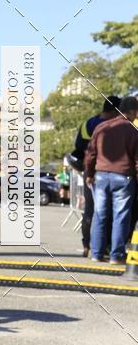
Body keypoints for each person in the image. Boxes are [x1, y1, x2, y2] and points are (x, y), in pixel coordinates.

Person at [84, 96, 138, 264]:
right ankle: (116, 255)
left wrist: (90, 174)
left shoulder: (101, 127)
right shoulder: (132, 131)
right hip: (123, 177)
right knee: (120, 217)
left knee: (100, 215)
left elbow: (90, 155)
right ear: (133, 112)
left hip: (101, 176)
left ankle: (96, 253)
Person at [72, 96, 121, 256]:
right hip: (107, 170)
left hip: (90, 170)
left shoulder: (88, 124)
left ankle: (87, 246)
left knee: (90, 210)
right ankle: (103, 247)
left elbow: (78, 148)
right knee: (108, 211)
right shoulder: (113, 126)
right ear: (114, 111)